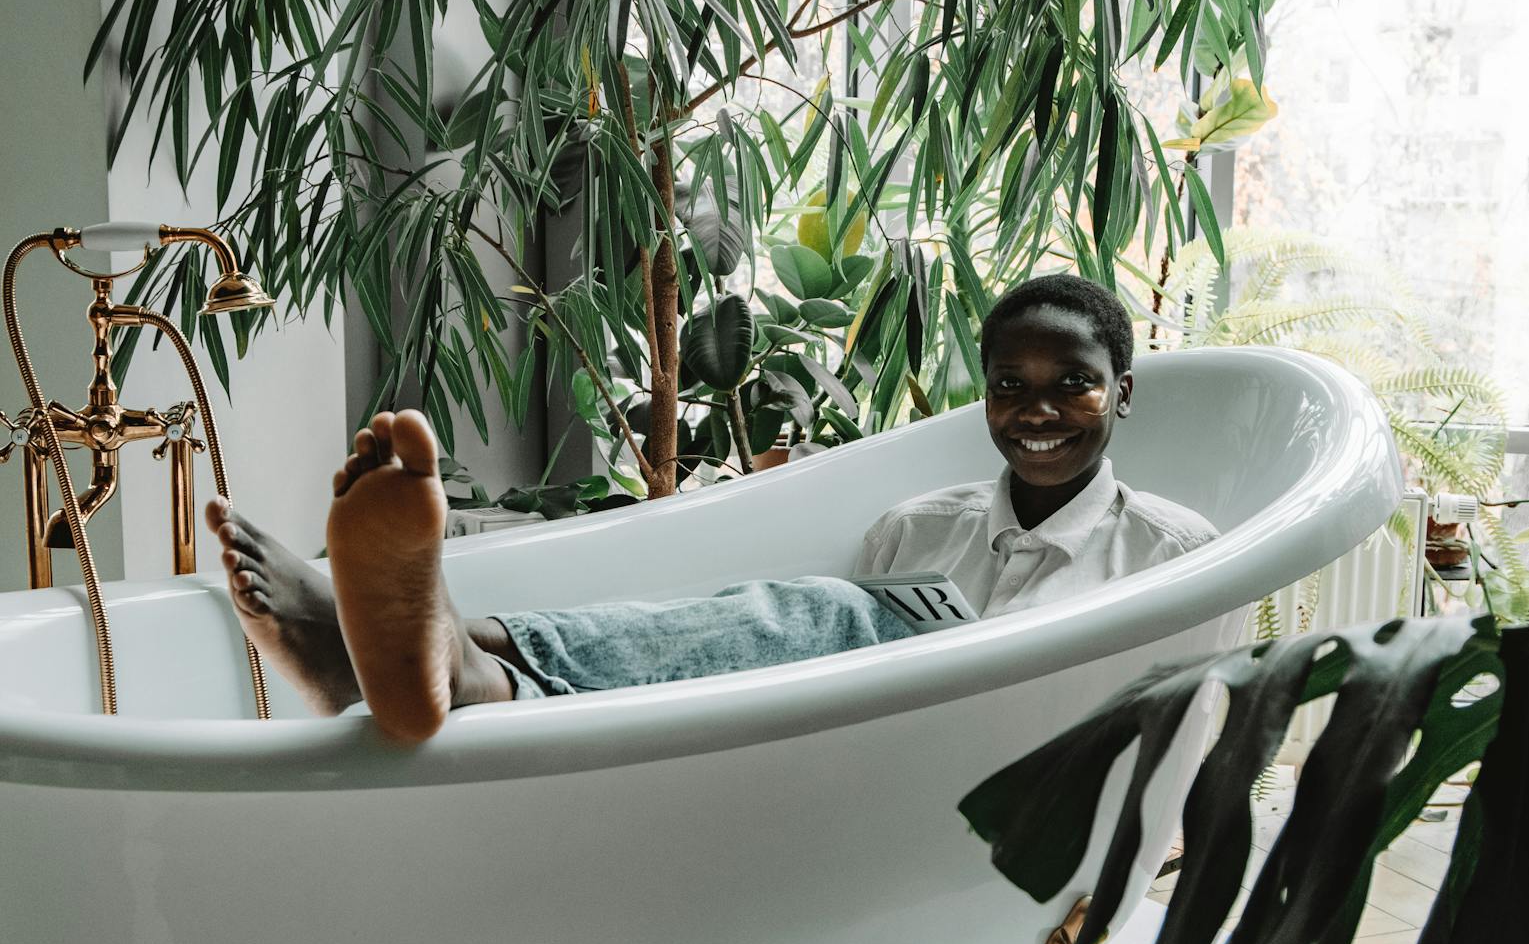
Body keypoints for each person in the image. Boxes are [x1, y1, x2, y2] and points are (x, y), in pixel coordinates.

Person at [207, 274, 1217, 744]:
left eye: (1073, 383)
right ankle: (450, 662)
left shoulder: (1176, 554)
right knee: (804, 624)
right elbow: (801, 693)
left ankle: (457, 647)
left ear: (1122, 389)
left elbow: (1190, 736)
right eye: (1008, 383)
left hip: (1016, 774)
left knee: (830, 615)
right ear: (982, 391)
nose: (1036, 410)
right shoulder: (919, 524)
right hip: (843, 759)